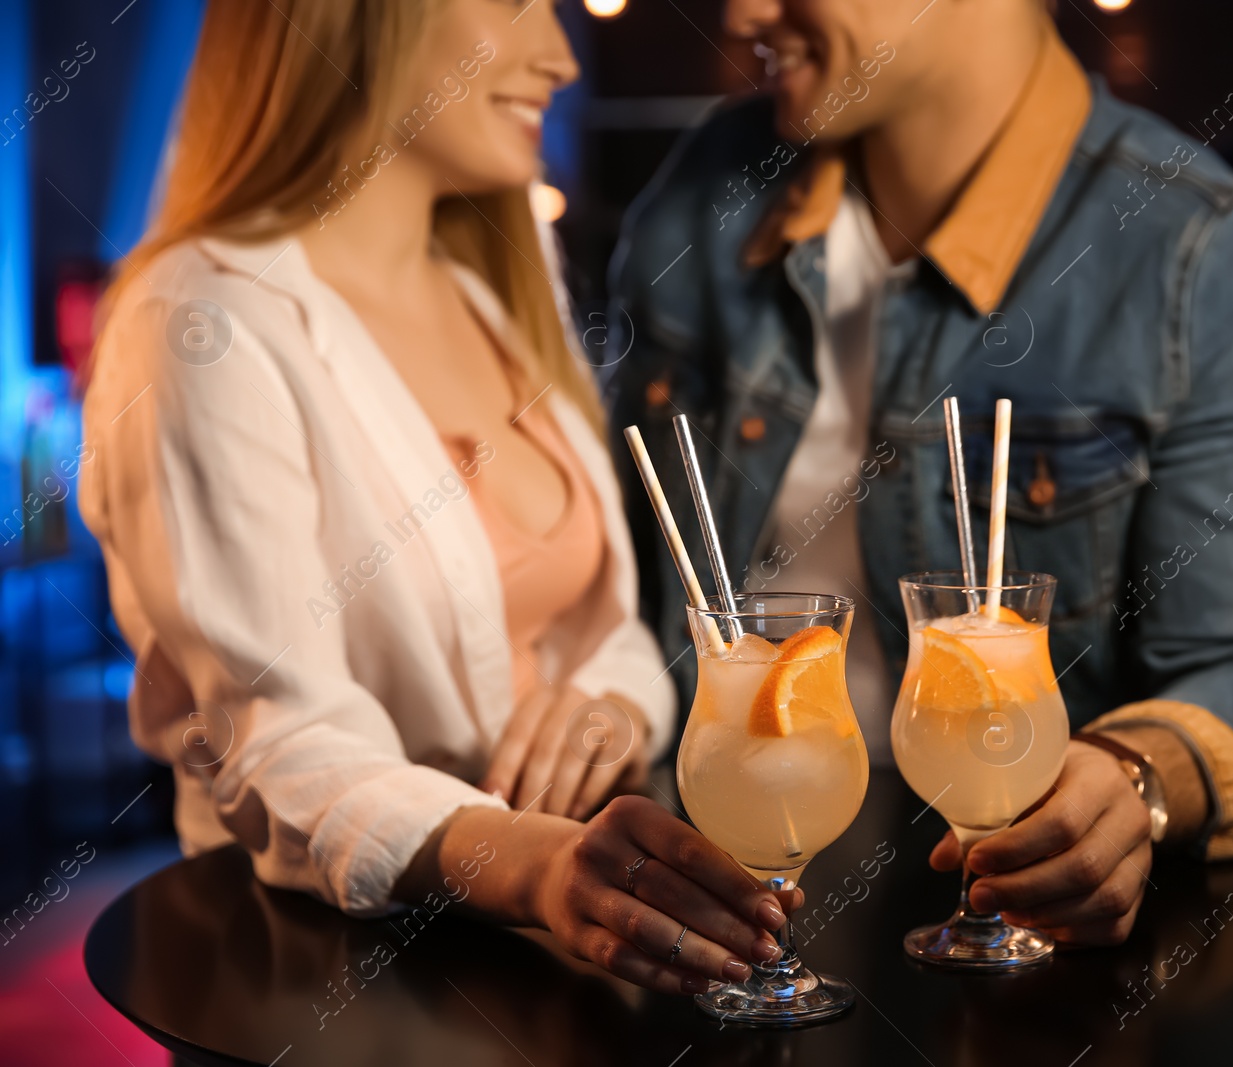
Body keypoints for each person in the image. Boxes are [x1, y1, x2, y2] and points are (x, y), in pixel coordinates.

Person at [79, 0, 791, 996]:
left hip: (545, 962)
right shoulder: (203, 320)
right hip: (323, 979)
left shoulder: (501, 281)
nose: (559, 59)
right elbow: (274, 742)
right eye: (515, 3)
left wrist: (613, 711)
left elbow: (608, 629)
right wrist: (533, 860)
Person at [611, 0, 1233, 945]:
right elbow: (616, 571)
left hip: (999, 921)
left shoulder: (1196, 251)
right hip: (707, 886)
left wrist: (1133, 775)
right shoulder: (706, 188)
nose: (744, 11)